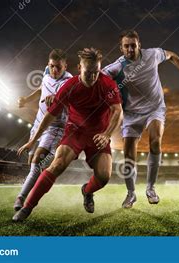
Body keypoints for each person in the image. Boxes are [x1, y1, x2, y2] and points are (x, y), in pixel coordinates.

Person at [12, 47, 122, 222]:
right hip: (75, 132)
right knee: (57, 165)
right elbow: (50, 115)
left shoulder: (108, 84)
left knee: (104, 176)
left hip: (98, 135)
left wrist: (107, 134)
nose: (93, 77)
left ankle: (87, 191)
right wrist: (32, 141)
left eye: (96, 72)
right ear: (79, 68)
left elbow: (118, 112)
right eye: (88, 73)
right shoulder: (69, 87)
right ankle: (26, 208)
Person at [103, 30, 179, 208]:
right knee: (129, 155)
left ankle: (150, 188)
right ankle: (131, 194)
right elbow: (98, 78)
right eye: (126, 46)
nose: (130, 49)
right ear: (121, 48)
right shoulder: (117, 66)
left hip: (155, 109)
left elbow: (172, 56)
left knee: (156, 141)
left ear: (139, 44)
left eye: (133, 45)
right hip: (131, 114)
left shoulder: (152, 54)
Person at [14, 49, 72, 211]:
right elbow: (41, 89)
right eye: (52, 66)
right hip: (37, 123)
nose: (54, 70)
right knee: (32, 164)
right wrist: (26, 100)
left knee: (37, 162)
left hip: (54, 127)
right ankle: (42, 173)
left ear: (65, 66)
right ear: (48, 64)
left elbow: (73, 105)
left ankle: (21, 198)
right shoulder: (47, 73)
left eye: (58, 68)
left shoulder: (68, 82)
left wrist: (58, 100)